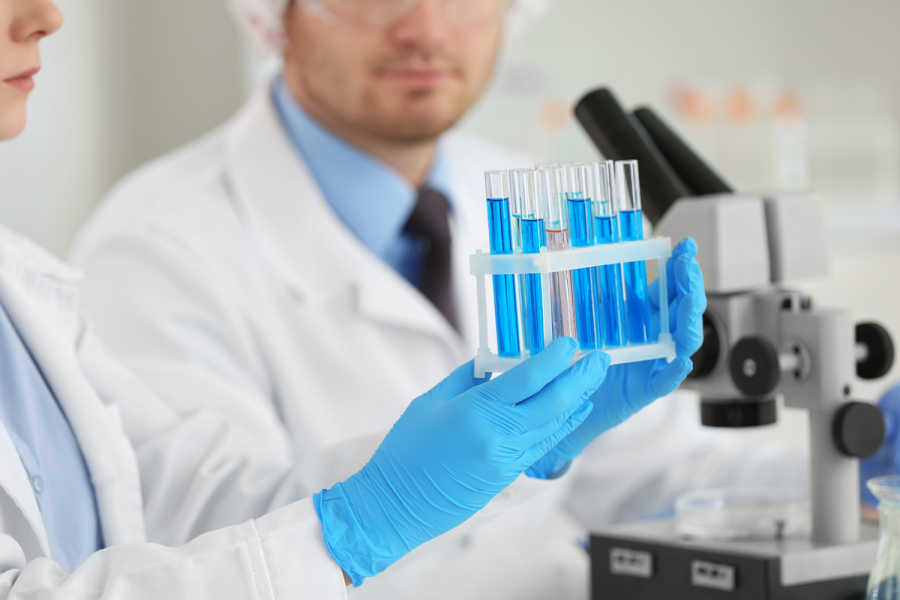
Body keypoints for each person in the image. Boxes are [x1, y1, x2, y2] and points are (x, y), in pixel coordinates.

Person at [0, 0, 656, 594]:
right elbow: (189, 550)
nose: (425, 31)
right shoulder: (155, 242)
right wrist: (366, 518)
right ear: (274, 16)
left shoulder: (19, 287)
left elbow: (206, 506)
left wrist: (485, 466)